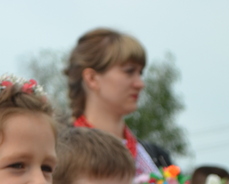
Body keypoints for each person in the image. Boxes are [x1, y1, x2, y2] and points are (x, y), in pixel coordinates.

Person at [65, 28, 165, 176]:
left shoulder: (156, 155)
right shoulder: (62, 151)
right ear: (92, 78)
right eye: (129, 71)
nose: (140, 84)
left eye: (140, 73)